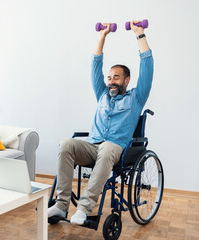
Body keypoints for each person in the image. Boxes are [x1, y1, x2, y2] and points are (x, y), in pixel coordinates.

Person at [47, 20, 154, 225]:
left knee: (106, 149)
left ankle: (84, 208)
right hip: (92, 146)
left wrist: (140, 34)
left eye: (116, 77)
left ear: (127, 80)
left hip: (115, 149)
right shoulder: (102, 94)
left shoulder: (136, 98)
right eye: (109, 77)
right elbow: (95, 64)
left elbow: (147, 66)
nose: (111, 81)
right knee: (66, 144)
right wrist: (102, 36)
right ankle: (61, 206)